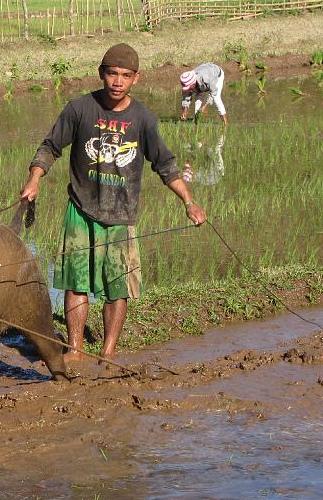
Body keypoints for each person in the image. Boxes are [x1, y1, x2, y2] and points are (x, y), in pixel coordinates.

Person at [19, 43, 206, 369]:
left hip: (121, 215)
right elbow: (50, 147)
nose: (117, 81)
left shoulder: (143, 119)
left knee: (115, 287)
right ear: (101, 74)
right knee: (75, 282)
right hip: (81, 208)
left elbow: (165, 165)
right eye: (112, 74)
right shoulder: (80, 109)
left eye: (125, 75)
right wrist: (35, 179)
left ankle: (108, 352)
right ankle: (75, 349)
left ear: (136, 78)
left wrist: (189, 202)